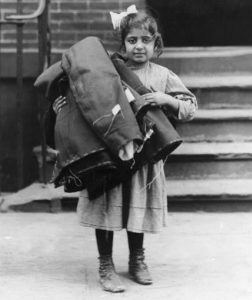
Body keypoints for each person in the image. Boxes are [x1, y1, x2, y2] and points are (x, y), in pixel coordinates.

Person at [53, 5, 197, 293]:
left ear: (156, 44)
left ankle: (136, 259)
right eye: (132, 41)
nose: (139, 47)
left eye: (146, 40)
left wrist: (166, 100)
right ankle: (105, 264)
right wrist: (63, 108)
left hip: (145, 159)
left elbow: (190, 108)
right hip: (110, 154)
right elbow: (86, 100)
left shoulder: (164, 76)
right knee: (106, 207)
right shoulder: (107, 71)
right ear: (123, 44)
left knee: (137, 208)